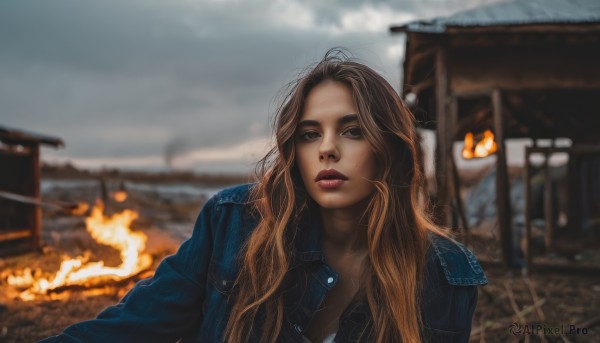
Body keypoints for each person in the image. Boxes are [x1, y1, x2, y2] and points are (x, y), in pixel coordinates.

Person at [41, 50, 487, 343]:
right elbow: (135, 325)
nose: (327, 149)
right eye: (310, 134)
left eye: (352, 131)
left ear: (388, 148)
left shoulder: (445, 273)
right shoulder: (233, 223)